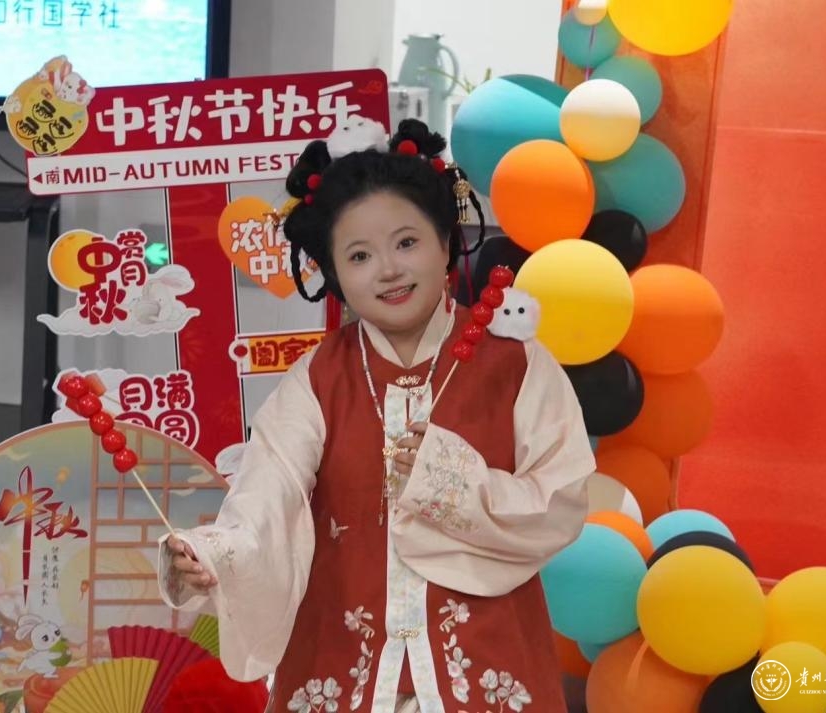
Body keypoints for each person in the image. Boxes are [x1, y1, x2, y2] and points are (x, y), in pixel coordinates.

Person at [158, 119, 595, 713]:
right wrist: (212, 554)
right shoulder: (317, 378)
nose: (388, 270)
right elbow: (267, 496)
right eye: (359, 255)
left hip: (491, 659)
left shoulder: (515, 363)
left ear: (445, 241)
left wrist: (451, 480)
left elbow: (561, 498)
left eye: (406, 243)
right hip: (339, 663)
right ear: (335, 274)